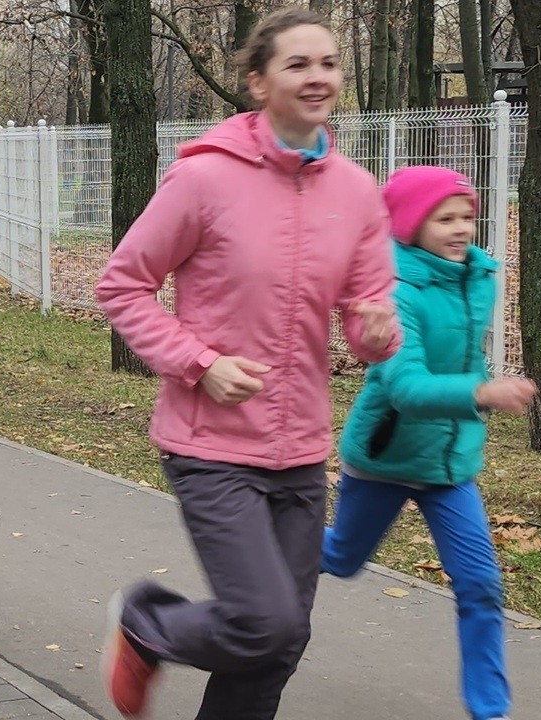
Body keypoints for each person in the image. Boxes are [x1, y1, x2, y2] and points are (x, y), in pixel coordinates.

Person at [95, 8, 401, 720]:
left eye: (328, 63)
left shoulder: (357, 193)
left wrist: (379, 328)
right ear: (259, 83)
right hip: (212, 444)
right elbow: (123, 284)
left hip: (298, 447)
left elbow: (368, 331)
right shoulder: (205, 179)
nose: (318, 76)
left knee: (281, 641)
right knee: (265, 622)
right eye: (298, 64)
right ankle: (148, 625)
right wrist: (197, 363)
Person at [321, 166, 537, 720]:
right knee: (341, 560)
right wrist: (484, 392)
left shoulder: (475, 278)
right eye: (445, 218)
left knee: (481, 584)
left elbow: (465, 356)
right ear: (412, 226)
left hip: (449, 465)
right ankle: (274, 548)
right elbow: (407, 386)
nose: (462, 228)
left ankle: (490, 709)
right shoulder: (395, 293)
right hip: (386, 456)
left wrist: (479, 384)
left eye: (467, 215)